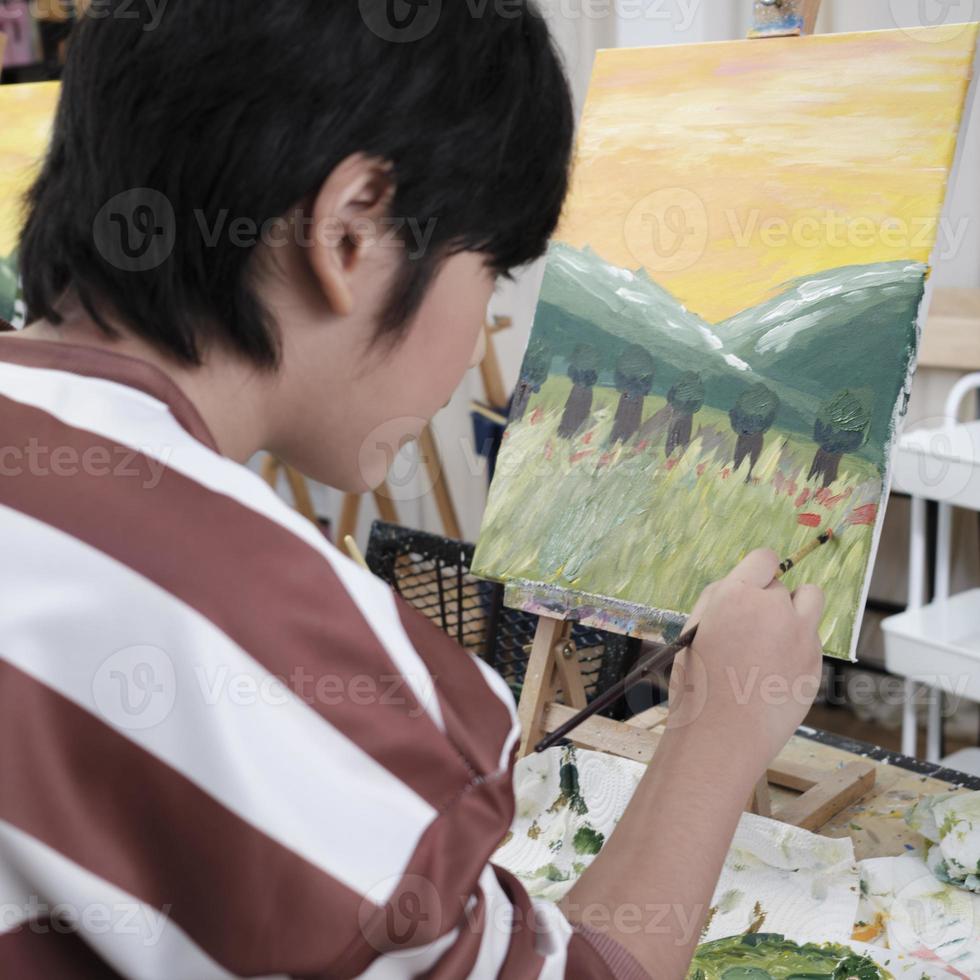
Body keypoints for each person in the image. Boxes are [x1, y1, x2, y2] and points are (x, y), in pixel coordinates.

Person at [0, 2, 824, 977]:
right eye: (495, 269)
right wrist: (720, 724)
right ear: (351, 231)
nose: (490, 315)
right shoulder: (247, 632)